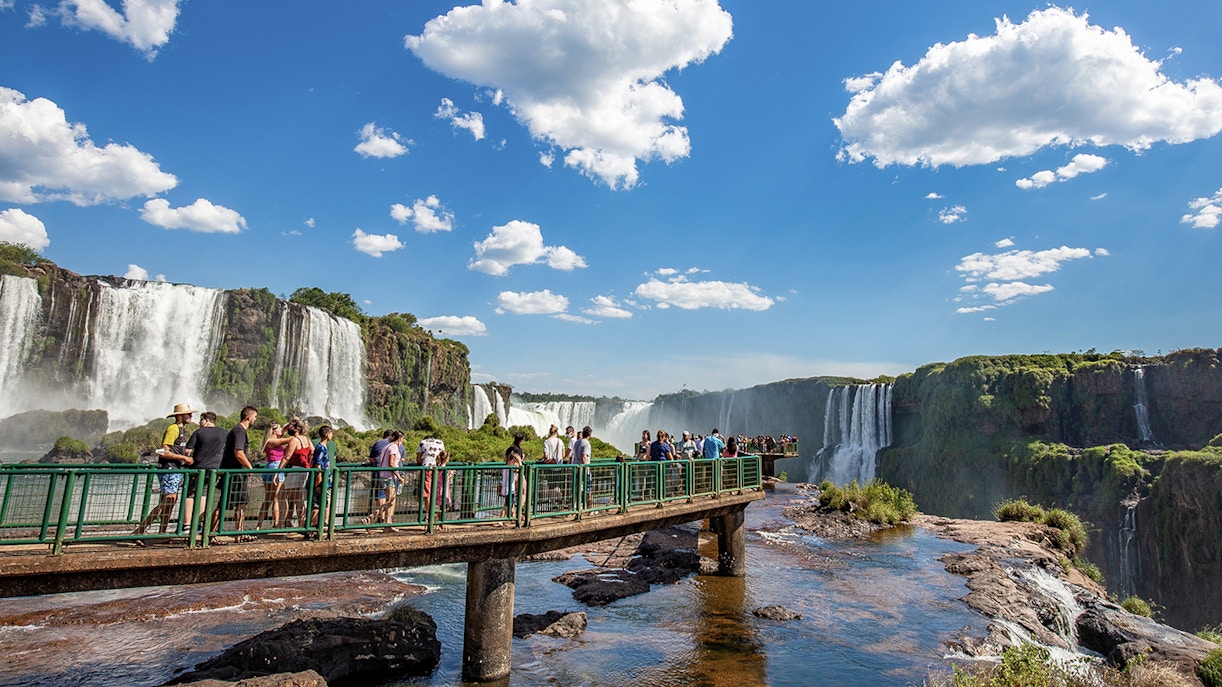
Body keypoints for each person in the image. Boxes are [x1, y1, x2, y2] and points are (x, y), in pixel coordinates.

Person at [133, 402, 196, 540]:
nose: (191, 415)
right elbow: (163, 451)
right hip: (169, 469)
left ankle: (162, 533)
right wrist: (184, 457)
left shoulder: (180, 430)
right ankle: (140, 530)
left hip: (175, 469)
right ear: (179, 416)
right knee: (168, 501)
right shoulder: (173, 429)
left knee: (170, 502)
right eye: (188, 413)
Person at [212, 406, 257, 543]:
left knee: (240, 503)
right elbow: (239, 452)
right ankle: (212, 533)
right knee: (226, 504)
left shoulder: (238, 430)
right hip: (235, 473)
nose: (255, 419)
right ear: (248, 417)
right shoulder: (239, 431)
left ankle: (239, 533)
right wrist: (250, 467)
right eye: (255, 417)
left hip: (235, 473)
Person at [182, 411, 227, 542]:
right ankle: (199, 524)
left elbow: (187, 451)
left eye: (201, 420)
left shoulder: (198, 432)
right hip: (214, 470)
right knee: (204, 495)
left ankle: (187, 525)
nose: (199, 423)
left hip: (198, 468)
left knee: (190, 495)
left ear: (206, 420)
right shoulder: (224, 432)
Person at [255, 423, 292, 530]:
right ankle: (276, 525)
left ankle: (259, 525)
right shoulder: (272, 442)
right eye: (279, 429)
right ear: (274, 431)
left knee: (268, 499)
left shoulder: (270, 441)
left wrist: (291, 423)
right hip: (276, 468)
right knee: (276, 498)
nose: (281, 430)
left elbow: (284, 430)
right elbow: (288, 439)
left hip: (268, 468)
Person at [368, 430, 404, 531]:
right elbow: (392, 463)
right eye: (403, 439)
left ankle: (386, 524)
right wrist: (399, 476)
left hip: (383, 475)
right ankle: (372, 517)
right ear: (399, 439)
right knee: (391, 501)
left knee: (389, 500)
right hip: (390, 476)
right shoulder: (394, 447)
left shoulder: (386, 446)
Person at [281, 421, 313, 529]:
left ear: (297, 429)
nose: (289, 427)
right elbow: (312, 451)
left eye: (292, 427)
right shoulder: (307, 440)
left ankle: (296, 524)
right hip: (305, 470)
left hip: (295, 470)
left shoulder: (294, 440)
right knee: (298, 498)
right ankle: (299, 523)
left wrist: (278, 470)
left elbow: (286, 457)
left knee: (287, 497)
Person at [308, 426, 333, 535]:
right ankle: (313, 527)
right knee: (317, 504)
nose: (332, 435)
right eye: (331, 433)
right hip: (321, 482)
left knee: (325, 503)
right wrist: (319, 483)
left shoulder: (323, 447)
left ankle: (322, 525)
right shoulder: (320, 448)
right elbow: (317, 465)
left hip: (326, 480)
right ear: (327, 434)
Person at [501, 433, 525, 521]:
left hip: (507, 473)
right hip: (512, 475)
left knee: (510, 497)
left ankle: (513, 515)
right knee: (510, 497)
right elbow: (520, 463)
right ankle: (502, 518)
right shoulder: (517, 451)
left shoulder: (509, 449)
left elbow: (505, 460)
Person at [417, 433, 445, 505]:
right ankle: (438, 511)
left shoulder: (423, 443)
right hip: (439, 469)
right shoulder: (440, 442)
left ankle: (428, 513)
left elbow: (418, 460)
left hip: (427, 469)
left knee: (427, 491)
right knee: (438, 490)